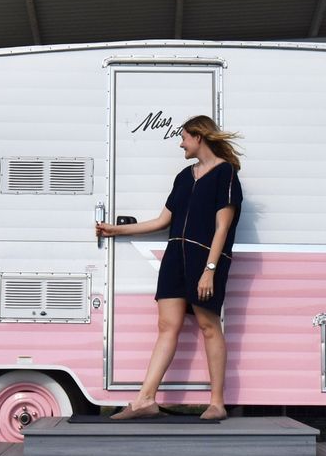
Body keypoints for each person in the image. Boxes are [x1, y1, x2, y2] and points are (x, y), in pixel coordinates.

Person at [96, 115, 244, 421]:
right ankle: (145, 400)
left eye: (184, 138)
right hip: (175, 258)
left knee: (208, 327)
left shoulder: (225, 174)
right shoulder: (183, 176)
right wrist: (116, 230)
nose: (181, 143)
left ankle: (217, 403)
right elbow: (164, 221)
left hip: (204, 259)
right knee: (167, 327)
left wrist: (210, 269)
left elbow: (222, 227)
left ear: (198, 137)